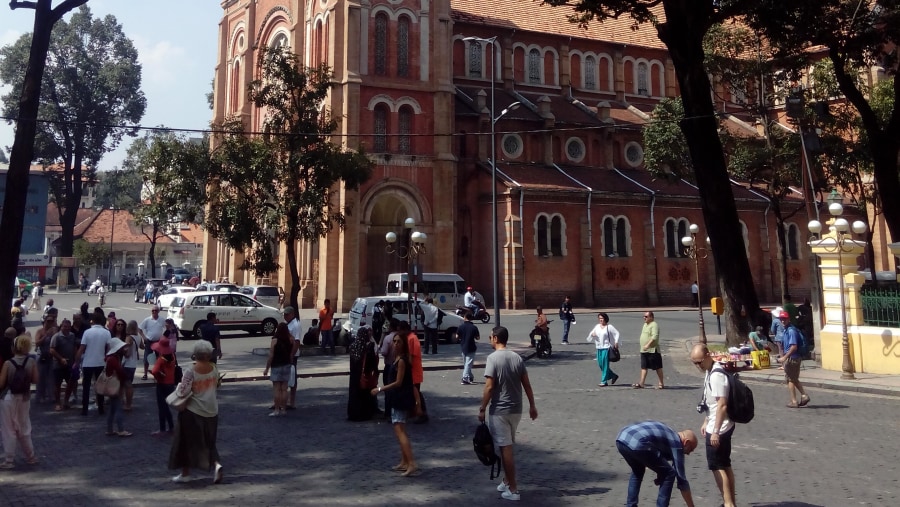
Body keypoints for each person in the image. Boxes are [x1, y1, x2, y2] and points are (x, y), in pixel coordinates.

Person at [478, 326, 538, 501]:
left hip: (500, 410)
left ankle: (513, 489)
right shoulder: (516, 357)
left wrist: (482, 408)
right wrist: (532, 405)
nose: (489, 339)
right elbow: (526, 384)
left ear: (496, 338)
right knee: (507, 445)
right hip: (516, 409)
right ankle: (506, 480)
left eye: (490, 336)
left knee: (505, 449)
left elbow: (489, 387)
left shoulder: (493, 359)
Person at [169, 340, 223, 484]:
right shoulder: (213, 368)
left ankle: (185, 473)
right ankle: (217, 464)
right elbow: (217, 384)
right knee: (209, 441)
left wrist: (180, 385)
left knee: (185, 442)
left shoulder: (191, 370)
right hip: (212, 410)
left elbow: (183, 391)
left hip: (193, 410)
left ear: (196, 354)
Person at [689, 343, 736, 507]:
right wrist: (706, 420)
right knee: (724, 464)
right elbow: (711, 402)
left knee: (717, 467)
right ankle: (730, 503)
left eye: (699, 362)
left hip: (720, 428)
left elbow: (722, 405)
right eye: (694, 363)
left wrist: (715, 431)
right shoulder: (710, 371)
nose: (697, 366)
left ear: (708, 355)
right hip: (717, 424)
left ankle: (728, 503)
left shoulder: (716, 375)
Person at [370, 329, 419, 477]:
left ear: (404, 344)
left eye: (399, 342)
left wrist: (380, 389)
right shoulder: (398, 359)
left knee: (401, 432)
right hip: (397, 398)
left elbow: (398, 382)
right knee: (399, 431)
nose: (395, 344)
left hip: (400, 398)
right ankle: (404, 461)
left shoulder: (402, 361)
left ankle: (411, 463)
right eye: (395, 341)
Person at [616, 421, 697, 507]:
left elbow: (657, 456)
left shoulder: (668, 432)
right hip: (638, 442)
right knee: (669, 474)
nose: (688, 453)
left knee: (637, 470)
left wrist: (660, 473)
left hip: (622, 438)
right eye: (691, 449)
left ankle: (630, 505)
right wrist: (691, 505)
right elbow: (682, 480)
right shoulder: (677, 444)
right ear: (686, 442)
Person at [0, 333, 39, 469]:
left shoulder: (8, 363)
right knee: (24, 427)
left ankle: (9, 460)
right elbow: (35, 380)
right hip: (25, 398)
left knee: (8, 429)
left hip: (8, 398)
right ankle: (31, 456)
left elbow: (1, 384)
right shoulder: (31, 362)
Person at [74, 310, 111, 416]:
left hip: (88, 362)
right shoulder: (106, 332)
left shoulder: (87, 332)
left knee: (86, 387)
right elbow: (108, 349)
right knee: (100, 386)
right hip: (100, 362)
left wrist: (76, 362)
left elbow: (82, 348)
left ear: (92, 321)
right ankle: (101, 408)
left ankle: (84, 409)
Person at [776, 311, 811, 408]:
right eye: (781, 319)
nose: (783, 321)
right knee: (793, 379)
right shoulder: (787, 330)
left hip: (793, 358)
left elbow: (793, 347)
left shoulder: (791, 331)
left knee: (790, 379)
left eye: (785, 319)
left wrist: (784, 357)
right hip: (792, 358)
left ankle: (794, 401)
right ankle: (804, 396)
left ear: (789, 319)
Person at [348, 326, 379, 421]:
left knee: (354, 395)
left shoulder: (352, 346)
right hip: (364, 374)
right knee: (364, 395)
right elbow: (371, 362)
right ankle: (365, 413)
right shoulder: (366, 348)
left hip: (354, 375)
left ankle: (353, 413)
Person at [103, 337, 132, 437]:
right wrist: (125, 380)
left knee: (112, 408)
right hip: (115, 384)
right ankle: (121, 429)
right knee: (118, 407)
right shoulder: (113, 359)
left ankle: (109, 429)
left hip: (111, 384)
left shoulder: (110, 358)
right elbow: (120, 371)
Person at [263, 323, 293, 417]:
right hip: (287, 364)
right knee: (284, 389)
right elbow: (291, 353)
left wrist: (267, 368)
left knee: (277, 389)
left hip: (276, 365)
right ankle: (283, 409)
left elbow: (271, 355)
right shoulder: (290, 339)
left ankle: (276, 410)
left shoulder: (274, 340)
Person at [402, 321, 428, 423]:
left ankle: (422, 413)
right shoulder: (409, 338)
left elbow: (411, 356)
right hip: (412, 371)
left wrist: (406, 367)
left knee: (416, 393)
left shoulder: (412, 338)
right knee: (413, 393)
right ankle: (414, 411)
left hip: (414, 371)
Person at [49, 319, 78, 411]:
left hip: (70, 363)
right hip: (58, 364)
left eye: (68, 327)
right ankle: (58, 403)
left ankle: (66, 401)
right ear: (61, 327)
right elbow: (52, 350)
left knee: (71, 383)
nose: (66, 329)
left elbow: (74, 347)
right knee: (57, 384)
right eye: (65, 327)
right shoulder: (56, 336)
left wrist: (76, 359)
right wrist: (61, 358)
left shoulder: (72, 336)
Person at [150, 336, 177, 434]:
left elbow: (154, 370)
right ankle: (171, 427)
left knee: (162, 407)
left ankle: (162, 429)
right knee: (166, 406)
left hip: (162, 384)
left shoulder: (161, 359)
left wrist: (157, 375)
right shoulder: (173, 356)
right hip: (171, 383)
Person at [586, 312, 620, 386]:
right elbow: (591, 334)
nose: (601, 320)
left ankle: (604, 381)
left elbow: (616, 333)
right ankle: (613, 375)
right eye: (599, 318)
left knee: (605, 365)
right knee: (600, 364)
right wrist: (592, 335)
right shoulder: (597, 326)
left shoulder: (609, 327)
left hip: (606, 348)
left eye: (602, 318)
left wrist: (616, 342)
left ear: (605, 319)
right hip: (599, 347)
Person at [633, 312, 665, 389]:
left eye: (646, 316)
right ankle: (641, 383)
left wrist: (648, 345)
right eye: (644, 316)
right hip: (644, 350)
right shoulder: (645, 325)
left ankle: (661, 383)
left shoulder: (654, 325)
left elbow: (654, 336)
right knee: (644, 367)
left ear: (651, 317)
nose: (644, 318)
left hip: (653, 350)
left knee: (658, 367)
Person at [33, 310, 58, 403]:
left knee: (51, 377)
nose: (50, 323)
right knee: (41, 377)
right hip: (42, 356)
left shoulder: (55, 330)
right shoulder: (40, 331)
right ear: (45, 322)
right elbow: (37, 343)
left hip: (51, 357)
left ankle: (51, 395)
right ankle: (40, 396)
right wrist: (46, 335)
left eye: (52, 321)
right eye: (48, 321)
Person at [378, 319, 399, 417]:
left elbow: (384, 352)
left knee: (388, 389)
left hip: (389, 365)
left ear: (390, 327)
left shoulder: (388, 338)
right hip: (398, 365)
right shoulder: (401, 337)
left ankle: (388, 412)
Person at [139, 306, 166, 380]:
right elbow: (139, 329)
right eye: (153, 310)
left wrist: (164, 337)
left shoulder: (162, 320)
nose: (154, 312)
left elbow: (167, 327)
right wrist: (144, 337)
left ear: (158, 311)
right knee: (146, 358)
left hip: (158, 342)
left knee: (159, 358)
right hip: (149, 341)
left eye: (156, 310)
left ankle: (158, 373)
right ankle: (145, 374)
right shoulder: (147, 320)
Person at [283, 306, 302, 410]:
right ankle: (285, 400)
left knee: (292, 378)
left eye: (287, 314)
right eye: (284, 314)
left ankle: (292, 401)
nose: (285, 316)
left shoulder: (295, 325)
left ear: (292, 314)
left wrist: (291, 355)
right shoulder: (290, 323)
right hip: (288, 354)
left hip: (292, 355)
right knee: (287, 377)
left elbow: (297, 342)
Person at [457, 311, 479, 385]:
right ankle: (465, 378)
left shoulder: (461, 327)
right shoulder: (474, 327)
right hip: (471, 346)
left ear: (465, 318)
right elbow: (478, 338)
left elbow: (457, 336)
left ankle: (470, 376)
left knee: (466, 363)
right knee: (468, 364)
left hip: (463, 346)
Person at [122, 320, 140, 411]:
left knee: (127, 385)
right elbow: (142, 346)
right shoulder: (137, 337)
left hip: (127, 364)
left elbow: (127, 353)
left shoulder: (129, 338)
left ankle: (128, 404)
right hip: (133, 364)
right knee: (128, 384)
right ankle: (127, 403)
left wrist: (122, 350)